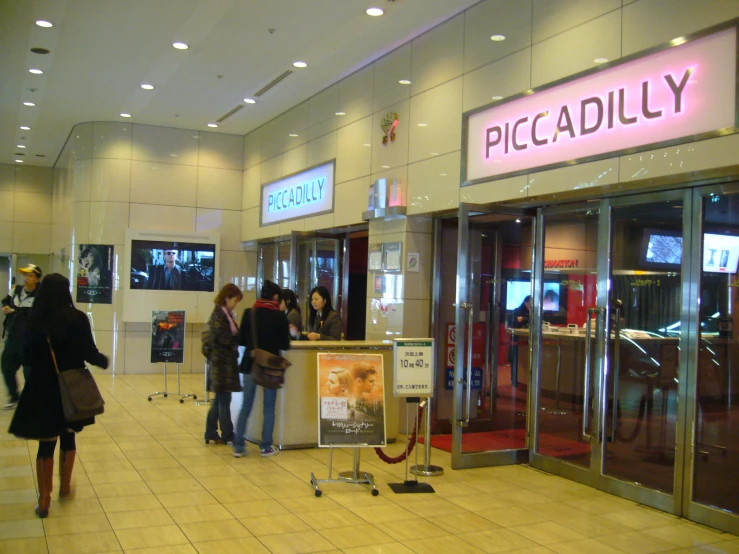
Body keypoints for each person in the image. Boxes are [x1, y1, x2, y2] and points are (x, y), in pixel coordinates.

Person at [8, 274, 108, 518]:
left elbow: (26, 356)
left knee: (46, 442)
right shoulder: (77, 318)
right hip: (70, 387)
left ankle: (44, 499)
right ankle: (64, 487)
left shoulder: (34, 320)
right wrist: (102, 361)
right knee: (69, 435)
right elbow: (89, 352)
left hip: (42, 387)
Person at [233, 280, 290, 458]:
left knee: (246, 405)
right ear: (274, 297)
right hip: (271, 367)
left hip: (251, 365)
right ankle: (266, 446)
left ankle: (239, 446)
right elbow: (285, 344)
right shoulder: (280, 317)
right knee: (269, 406)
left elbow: (241, 340)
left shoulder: (249, 313)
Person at [204, 283, 243, 444]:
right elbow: (224, 339)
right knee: (224, 400)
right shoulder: (219, 315)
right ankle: (227, 434)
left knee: (220, 400)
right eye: (234, 300)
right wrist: (238, 338)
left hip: (223, 364)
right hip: (221, 364)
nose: (235, 304)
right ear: (227, 298)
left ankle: (210, 432)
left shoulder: (226, 313)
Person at [2, 264, 42, 409]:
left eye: (30, 275)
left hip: (30, 341)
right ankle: (14, 396)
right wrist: (6, 308)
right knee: (6, 367)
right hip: (13, 338)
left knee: (29, 372)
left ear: (37, 279)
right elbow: (6, 301)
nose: (26, 278)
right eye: (25, 275)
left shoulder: (41, 296)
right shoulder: (16, 291)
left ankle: (31, 400)